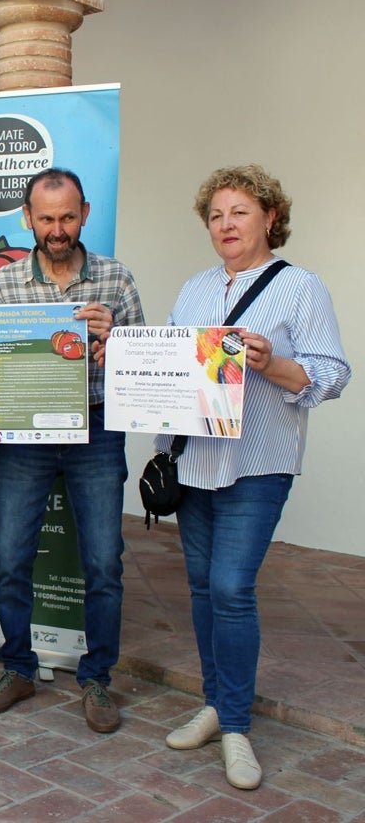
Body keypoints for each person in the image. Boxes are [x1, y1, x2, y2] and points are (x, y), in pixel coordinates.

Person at [160, 165, 349, 790]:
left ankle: (236, 725)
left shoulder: (301, 288)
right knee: (200, 588)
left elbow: (331, 374)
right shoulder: (191, 291)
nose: (225, 225)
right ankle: (215, 704)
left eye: (238, 212)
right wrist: (164, 444)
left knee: (231, 588)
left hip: (257, 464)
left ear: (270, 217)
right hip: (195, 462)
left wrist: (273, 363)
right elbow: (171, 376)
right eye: (215, 216)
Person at [0, 168, 144, 734]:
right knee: (11, 558)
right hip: (27, 435)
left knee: (103, 562)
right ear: (28, 218)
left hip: (95, 430)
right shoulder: (6, 284)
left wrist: (115, 345)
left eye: (67, 216)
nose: (57, 228)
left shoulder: (116, 281)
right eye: (46, 218)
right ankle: (18, 668)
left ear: (85, 213)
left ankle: (97, 678)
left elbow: (142, 373)